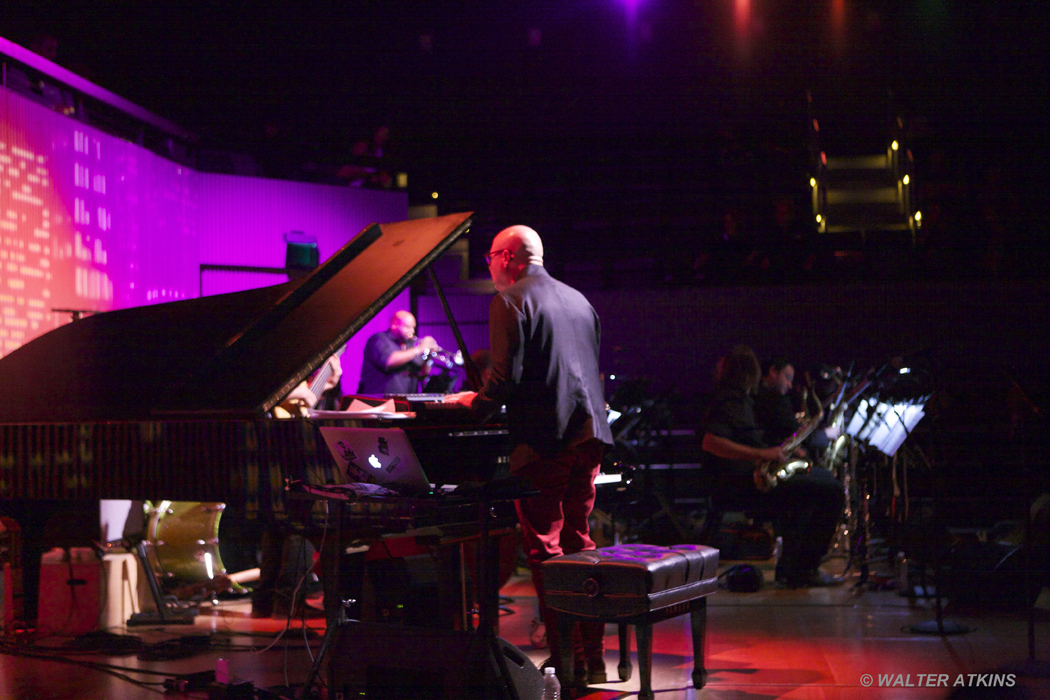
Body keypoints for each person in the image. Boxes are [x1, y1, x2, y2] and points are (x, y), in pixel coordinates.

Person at [445, 225, 613, 686]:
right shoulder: (580, 299)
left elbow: (504, 379)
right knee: (581, 544)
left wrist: (470, 404)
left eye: (491, 258)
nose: (490, 266)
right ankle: (591, 658)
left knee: (546, 549)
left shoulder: (511, 299)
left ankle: (564, 663)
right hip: (590, 436)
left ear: (509, 256)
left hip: (545, 441)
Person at [700, 345, 844, 588]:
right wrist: (762, 453)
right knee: (831, 490)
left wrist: (774, 453)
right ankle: (804, 569)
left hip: (751, 476)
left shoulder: (739, 400)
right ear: (749, 373)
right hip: (742, 483)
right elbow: (711, 442)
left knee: (817, 483)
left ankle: (794, 568)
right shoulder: (729, 401)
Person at [357, 311, 438, 395]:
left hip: (406, 399)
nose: (412, 331)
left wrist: (429, 357)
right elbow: (389, 361)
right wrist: (420, 348)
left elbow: (422, 373)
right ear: (394, 324)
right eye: (408, 327)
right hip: (379, 398)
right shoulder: (379, 339)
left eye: (413, 327)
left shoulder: (411, 345)